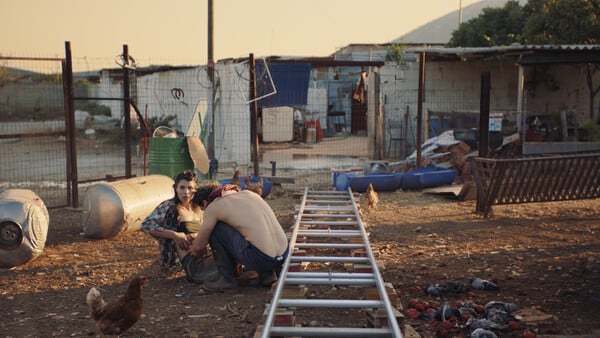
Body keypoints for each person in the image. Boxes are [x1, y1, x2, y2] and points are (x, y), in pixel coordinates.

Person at [186, 181, 289, 292]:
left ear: (205, 203)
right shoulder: (249, 195)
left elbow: (199, 247)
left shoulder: (214, 206)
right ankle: (268, 275)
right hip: (284, 256)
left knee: (216, 229)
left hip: (261, 259)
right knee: (248, 231)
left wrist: (194, 248)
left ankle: (227, 280)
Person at [140, 170, 219, 284]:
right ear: (175, 189)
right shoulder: (170, 207)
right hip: (192, 263)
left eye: (190, 188)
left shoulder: (200, 207)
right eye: (182, 188)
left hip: (207, 256)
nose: (186, 192)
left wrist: (198, 235)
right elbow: (146, 225)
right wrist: (174, 235)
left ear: (195, 189)